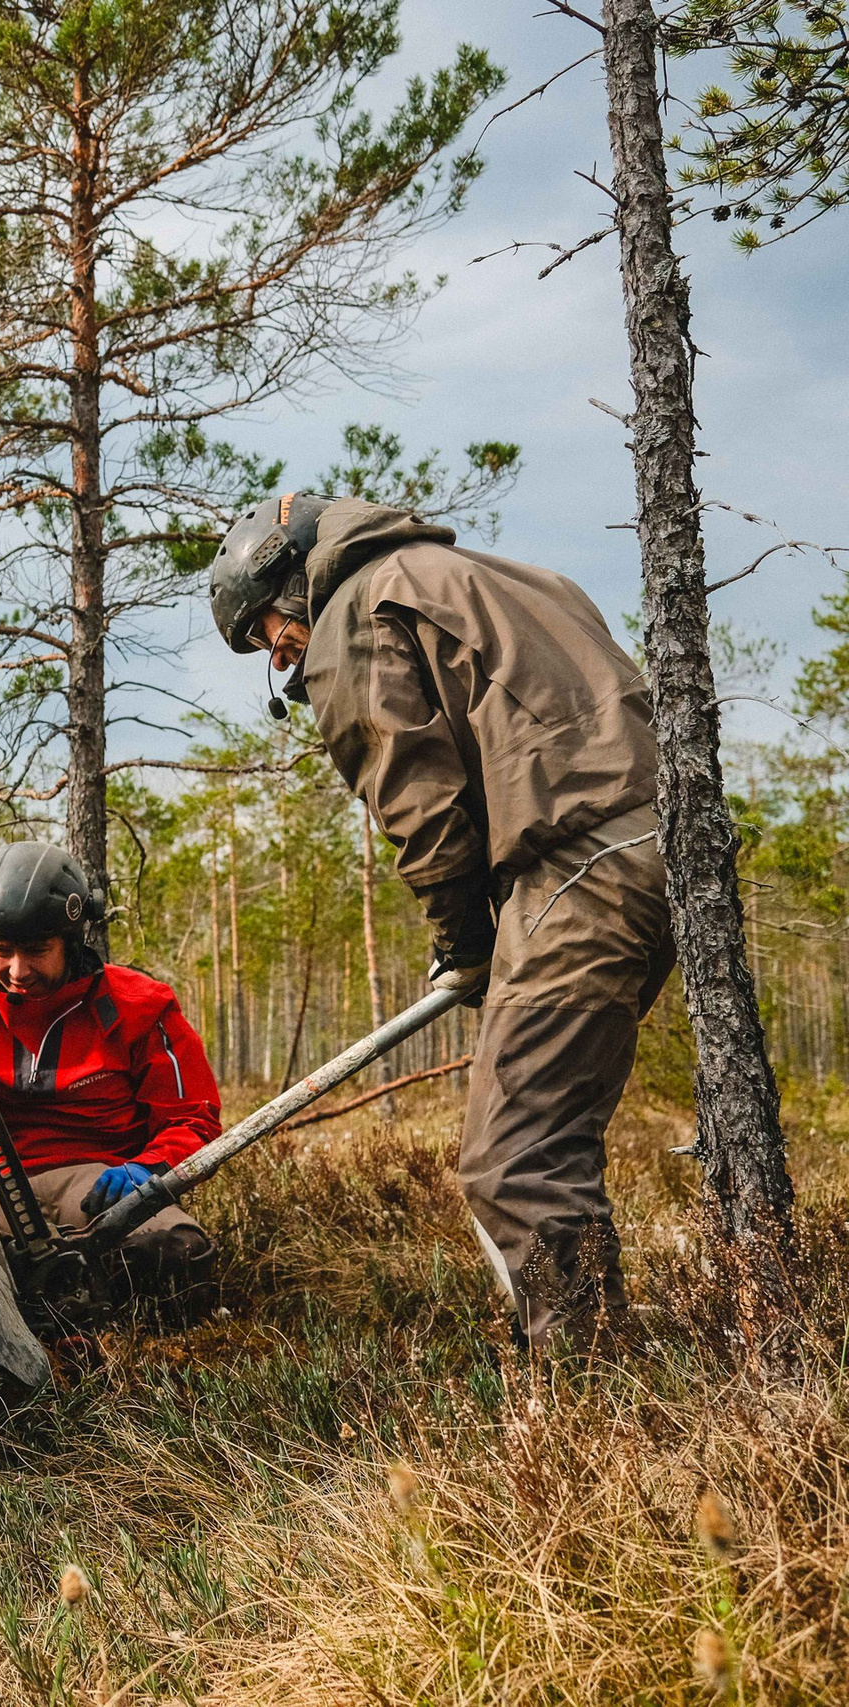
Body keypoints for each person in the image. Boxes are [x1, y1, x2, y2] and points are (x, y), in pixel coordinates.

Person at [207, 491, 674, 1349]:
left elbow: (418, 800)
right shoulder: (504, 577)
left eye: (268, 627)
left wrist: (464, 941)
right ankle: (608, 1352)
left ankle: (590, 1388)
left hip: (578, 867)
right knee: (552, 1137)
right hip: (659, 854)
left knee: (512, 1159)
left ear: (293, 574)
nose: (277, 653)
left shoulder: (356, 607)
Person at [0, 841, 222, 1300]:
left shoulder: (141, 1005)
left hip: (98, 1184)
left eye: (36, 950)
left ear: (73, 941)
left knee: (179, 1257)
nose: (18, 970)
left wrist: (147, 1168)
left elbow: (193, 1118)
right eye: (1, 949)